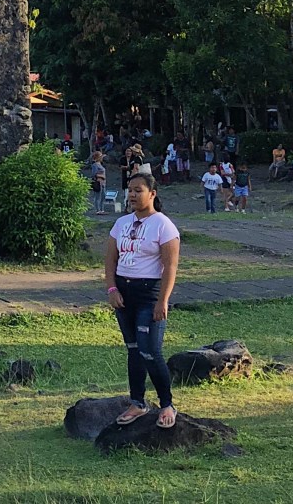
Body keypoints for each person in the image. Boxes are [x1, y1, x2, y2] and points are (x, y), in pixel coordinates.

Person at [105, 172, 180, 430]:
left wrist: (163, 301)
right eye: (130, 190)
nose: (133, 195)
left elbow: (170, 267)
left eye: (138, 190)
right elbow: (110, 260)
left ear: (152, 194)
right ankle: (137, 402)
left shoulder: (163, 225)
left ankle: (167, 404)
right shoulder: (122, 223)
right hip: (125, 293)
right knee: (134, 349)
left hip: (150, 294)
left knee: (150, 350)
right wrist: (112, 289)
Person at [89, 150, 108, 216]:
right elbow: (93, 174)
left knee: (103, 196)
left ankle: (102, 209)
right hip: (98, 182)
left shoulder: (100, 164)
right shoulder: (95, 165)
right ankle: (98, 210)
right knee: (98, 196)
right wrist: (101, 176)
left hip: (103, 183)